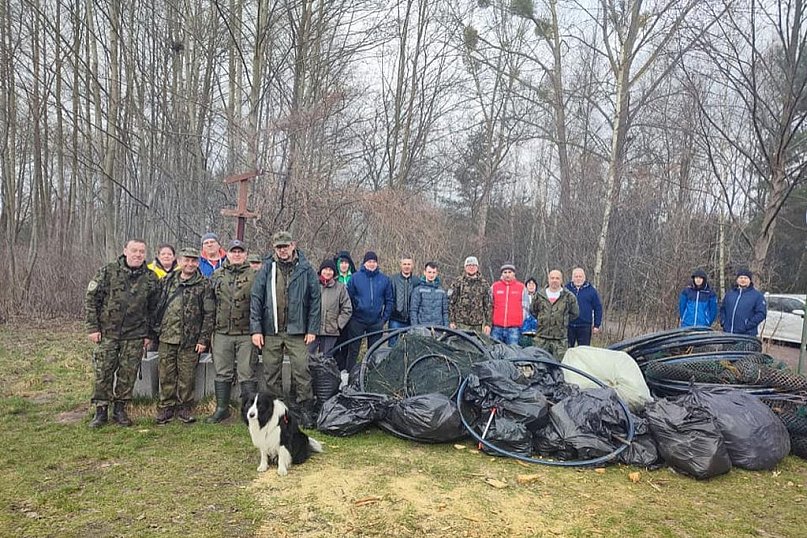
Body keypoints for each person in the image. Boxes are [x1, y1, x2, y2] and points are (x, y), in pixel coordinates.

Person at [85, 239, 160, 428]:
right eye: (134, 250)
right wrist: (93, 328)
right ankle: (101, 410)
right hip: (108, 333)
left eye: (141, 251)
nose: (137, 254)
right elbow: (92, 299)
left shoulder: (150, 278)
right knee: (103, 372)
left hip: (135, 335)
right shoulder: (108, 271)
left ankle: (120, 409)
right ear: (125, 251)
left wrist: (149, 334)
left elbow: (154, 309)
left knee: (128, 374)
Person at [251, 231, 321, 426]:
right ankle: (276, 410)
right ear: (274, 248)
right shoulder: (267, 268)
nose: (282, 250)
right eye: (279, 247)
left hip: (297, 330)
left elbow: (316, 300)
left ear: (293, 245)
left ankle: (305, 409)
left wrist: (312, 329)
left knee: (301, 370)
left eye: (285, 246)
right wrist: (256, 329)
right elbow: (256, 298)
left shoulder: (305, 268)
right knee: (271, 372)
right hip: (271, 330)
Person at [154, 248, 215, 424]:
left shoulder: (204, 284)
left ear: (198, 262)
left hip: (190, 339)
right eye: (186, 260)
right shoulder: (167, 281)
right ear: (179, 261)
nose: (190, 264)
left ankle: (184, 407)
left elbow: (209, 314)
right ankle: (166, 407)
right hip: (166, 337)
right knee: (166, 374)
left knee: (187, 377)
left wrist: (203, 339)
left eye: (193, 261)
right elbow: (156, 307)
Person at [207, 240, 258, 423]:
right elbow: (209, 302)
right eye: (233, 251)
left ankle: (248, 412)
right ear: (227, 254)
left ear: (245, 254)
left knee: (247, 372)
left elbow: (260, 305)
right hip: (221, 332)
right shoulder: (217, 275)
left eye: (240, 251)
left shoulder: (255, 275)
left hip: (246, 333)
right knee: (222, 372)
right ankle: (222, 409)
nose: (237, 254)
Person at [343, 251, 394, 370]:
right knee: (353, 350)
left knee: (374, 352)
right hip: (357, 320)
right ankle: (349, 374)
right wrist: (352, 315)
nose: (372, 264)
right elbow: (348, 299)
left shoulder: (384, 279)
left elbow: (389, 301)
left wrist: (384, 319)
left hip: (376, 321)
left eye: (374, 262)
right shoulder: (355, 278)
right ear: (364, 263)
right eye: (369, 261)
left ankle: (371, 376)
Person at [532, 269, 579, 359]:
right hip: (541, 338)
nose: (554, 280)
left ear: (561, 280)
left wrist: (561, 320)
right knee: (539, 365)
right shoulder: (539, 295)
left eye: (557, 278)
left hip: (560, 340)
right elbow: (533, 311)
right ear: (548, 279)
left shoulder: (569, 296)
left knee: (558, 366)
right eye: (552, 278)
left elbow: (575, 313)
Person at [309, 259, 352, 358]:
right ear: (321, 271)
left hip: (331, 331)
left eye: (330, 270)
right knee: (308, 358)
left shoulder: (340, 288)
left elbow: (347, 309)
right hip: (312, 330)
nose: (327, 272)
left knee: (326, 360)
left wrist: (338, 324)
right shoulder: (313, 285)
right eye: (325, 269)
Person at [448, 256, 491, 335]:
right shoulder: (458, 282)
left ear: (477, 267)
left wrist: (488, 324)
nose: (471, 267)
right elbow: (451, 303)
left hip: (477, 324)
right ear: (465, 267)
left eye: (474, 265)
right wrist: (452, 321)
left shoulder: (484, 284)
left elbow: (487, 305)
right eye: (469, 265)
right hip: (461, 323)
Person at [720, 267, 767, 336]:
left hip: (746, 335)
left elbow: (761, 313)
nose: (743, 280)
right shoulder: (730, 294)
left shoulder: (757, 296)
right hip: (727, 333)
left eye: (745, 278)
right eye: (741, 278)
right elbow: (722, 309)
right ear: (737, 280)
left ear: (750, 280)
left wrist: (747, 325)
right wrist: (723, 321)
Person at [566, 267, 603, 347]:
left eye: (580, 276)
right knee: (567, 350)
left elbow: (598, 308)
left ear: (584, 277)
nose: (578, 279)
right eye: (576, 276)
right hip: (569, 325)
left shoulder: (591, 290)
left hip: (584, 326)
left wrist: (597, 325)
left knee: (584, 351)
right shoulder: (566, 289)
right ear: (572, 278)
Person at [490, 263, 525, 346]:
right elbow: (489, 305)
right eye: (505, 272)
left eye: (509, 272)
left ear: (514, 273)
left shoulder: (521, 287)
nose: (507, 274)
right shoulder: (494, 287)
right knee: (495, 350)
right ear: (502, 274)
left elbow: (525, 307)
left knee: (513, 352)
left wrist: (520, 320)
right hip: (497, 327)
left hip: (514, 328)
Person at [389, 256, 418, 345]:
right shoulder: (393, 280)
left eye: (409, 264)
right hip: (396, 319)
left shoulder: (416, 281)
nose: (406, 266)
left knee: (409, 346)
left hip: (411, 320)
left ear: (412, 265)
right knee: (393, 346)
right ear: (401, 265)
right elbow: (389, 298)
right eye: (404, 264)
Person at [410, 261, 449, 326]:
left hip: (438, 328)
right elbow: (413, 310)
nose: (431, 275)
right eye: (429, 272)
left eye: (434, 272)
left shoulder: (442, 291)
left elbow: (445, 312)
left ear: (437, 273)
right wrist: (415, 327)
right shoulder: (418, 290)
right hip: (422, 328)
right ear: (425, 273)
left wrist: (446, 328)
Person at [520, 277, 538, 347]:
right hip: (523, 325)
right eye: (529, 284)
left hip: (536, 326)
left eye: (533, 284)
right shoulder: (521, 297)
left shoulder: (539, 297)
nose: (531, 286)